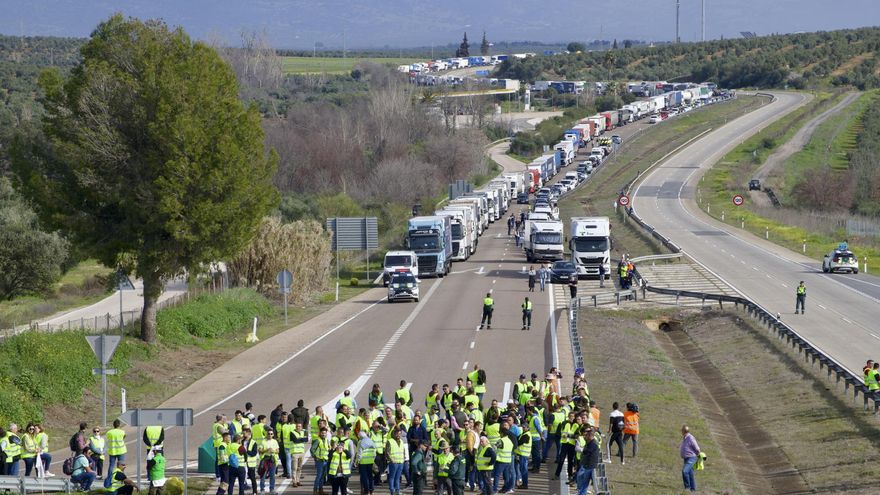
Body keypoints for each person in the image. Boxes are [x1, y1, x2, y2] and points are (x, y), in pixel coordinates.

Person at [575, 429, 600, 495]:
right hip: (586, 465)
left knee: (584, 481)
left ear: (590, 436)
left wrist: (582, 449)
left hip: (589, 466)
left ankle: (582, 493)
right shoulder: (589, 443)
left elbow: (586, 452)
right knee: (581, 478)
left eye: (586, 435)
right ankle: (581, 492)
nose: (584, 437)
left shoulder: (593, 444)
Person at [679, 426, 701, 493]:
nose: (681, 432)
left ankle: (687, 489)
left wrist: (698, 454)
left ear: (684, 431)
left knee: (685, 471)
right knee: (690, 474)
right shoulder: (685, 438)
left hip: (691, 458)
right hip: (687, 458)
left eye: (682, 431)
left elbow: (697, 448)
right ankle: (693, 490)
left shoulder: (690, 438)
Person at [386, 428, 406, 495]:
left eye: (400, 434)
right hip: (393, 463)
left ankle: (397, 491)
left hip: (400, 462)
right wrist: (391, 460)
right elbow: (387, 452)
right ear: (394, 434)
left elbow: (403, 451)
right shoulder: (390, 441)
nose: (398, 435)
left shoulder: (401, 441)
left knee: (397, 478)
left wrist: (403, 459)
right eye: (397, 433)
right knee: (392, 477)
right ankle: (392, 491)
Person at [311, 427, 330, 495]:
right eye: (322, 433)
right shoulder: (317, 440)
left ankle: (321, 490)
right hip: (320, 461)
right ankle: (315, 490)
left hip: (325, 460)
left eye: (325, 433)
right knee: (319, 476)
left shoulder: (327, 440)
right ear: (320, 433)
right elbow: (312, 450)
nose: (323, 434)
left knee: (323, 476)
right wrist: (315, 457)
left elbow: (328, 449)